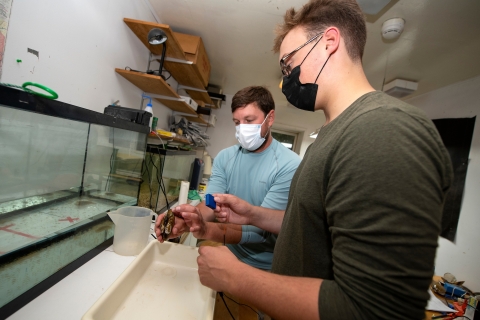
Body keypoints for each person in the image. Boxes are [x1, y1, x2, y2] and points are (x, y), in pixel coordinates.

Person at [180, 1, 454, 319]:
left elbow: (375, 311)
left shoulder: (382, 129)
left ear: (329, 42)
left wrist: (238, 279)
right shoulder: (331, 135)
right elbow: (312, 227)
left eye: (289, 63)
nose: (286, 81)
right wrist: (253, 214)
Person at [155, 86, 301, 271]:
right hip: (229, 248)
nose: (242, 129)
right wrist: (188, 218)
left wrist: (206, 230)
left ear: (270, 118)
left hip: (264, 265)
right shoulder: (225, 157)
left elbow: (259, 232)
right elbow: (210, 203)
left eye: (249, 120)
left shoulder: (289, 165)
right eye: (237, 122)